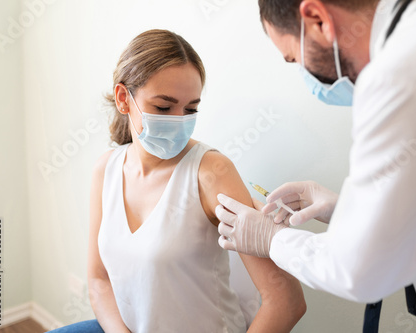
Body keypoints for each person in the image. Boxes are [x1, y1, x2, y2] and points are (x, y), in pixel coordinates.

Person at [216, 0, 416, 332]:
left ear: (317, 19)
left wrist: (273, 240)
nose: (305, 74)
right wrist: (346, 210)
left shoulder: (398, 78)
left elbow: (361, 271)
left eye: (294, 58)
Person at [48, 29, 305, 333]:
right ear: (123, 99)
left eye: (191, 109)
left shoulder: (212, 172)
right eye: (163, 107)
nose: (179, 120)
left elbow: (286, 300)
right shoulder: (106, 170)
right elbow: (99, 280)